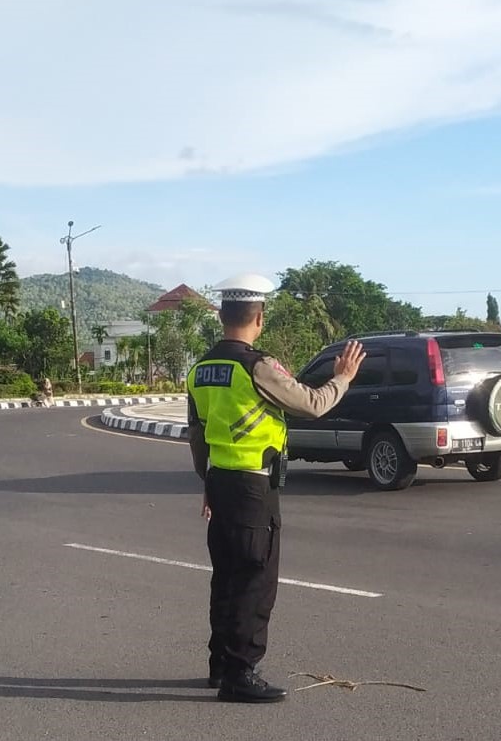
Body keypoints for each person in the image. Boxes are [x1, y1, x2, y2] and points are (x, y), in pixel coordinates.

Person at [185, 273, 365, 704]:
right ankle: (241, 674)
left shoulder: (202, 368)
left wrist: (206, 482)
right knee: (254, 580)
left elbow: (198, 433)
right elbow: (313, 403)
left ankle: (220, 665)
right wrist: (343, 377)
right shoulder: (257, 366)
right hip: (253, 488)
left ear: (222, 315)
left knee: (226, 577)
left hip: (221, 481)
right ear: (259, 317)